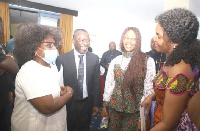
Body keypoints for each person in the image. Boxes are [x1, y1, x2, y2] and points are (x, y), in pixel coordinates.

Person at [11, 23, 73, 131]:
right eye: (49, 45)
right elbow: (47, 107)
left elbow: (49, 91)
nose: (54, 48)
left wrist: (59, 92)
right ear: (34, 48)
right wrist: (69, 93)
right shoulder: (29, 70)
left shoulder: (52, 67)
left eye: (54, 45)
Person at [148, 8, 200, 130]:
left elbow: (168, 124)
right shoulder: (173, 60)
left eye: (158, 36)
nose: (154, 39)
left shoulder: (179, 71)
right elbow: (169, 93)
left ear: (174, 42)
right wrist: (152, 97)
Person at [100, 27, 156, 131]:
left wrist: (142, 117)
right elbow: (109, 85)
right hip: (114, 108)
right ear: (122, 39)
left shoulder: (147, 61)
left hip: (134, 111)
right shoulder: (115, 61)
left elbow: (149, 89)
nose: (129, 41)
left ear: (138, 41)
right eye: (126, 37)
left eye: (133, 38)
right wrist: (104, 106)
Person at [56, 29, 101, 131]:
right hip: (68, 103)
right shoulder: (62, 59)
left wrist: (96, 104)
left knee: (84, 127)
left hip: (86, 103)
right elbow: (58, 83)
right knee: (68, 127)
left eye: (87, 40)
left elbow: (96, 83)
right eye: (81, 40)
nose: (85, 43)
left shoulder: (94, 59)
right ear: (73, 40)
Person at [0, 17, 19, 131]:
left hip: (4, 96)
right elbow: (14, 67)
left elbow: (14, 63)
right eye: (1, 25)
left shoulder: (1, 45)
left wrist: (6, 65)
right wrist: (8, 63)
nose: (3, 28)